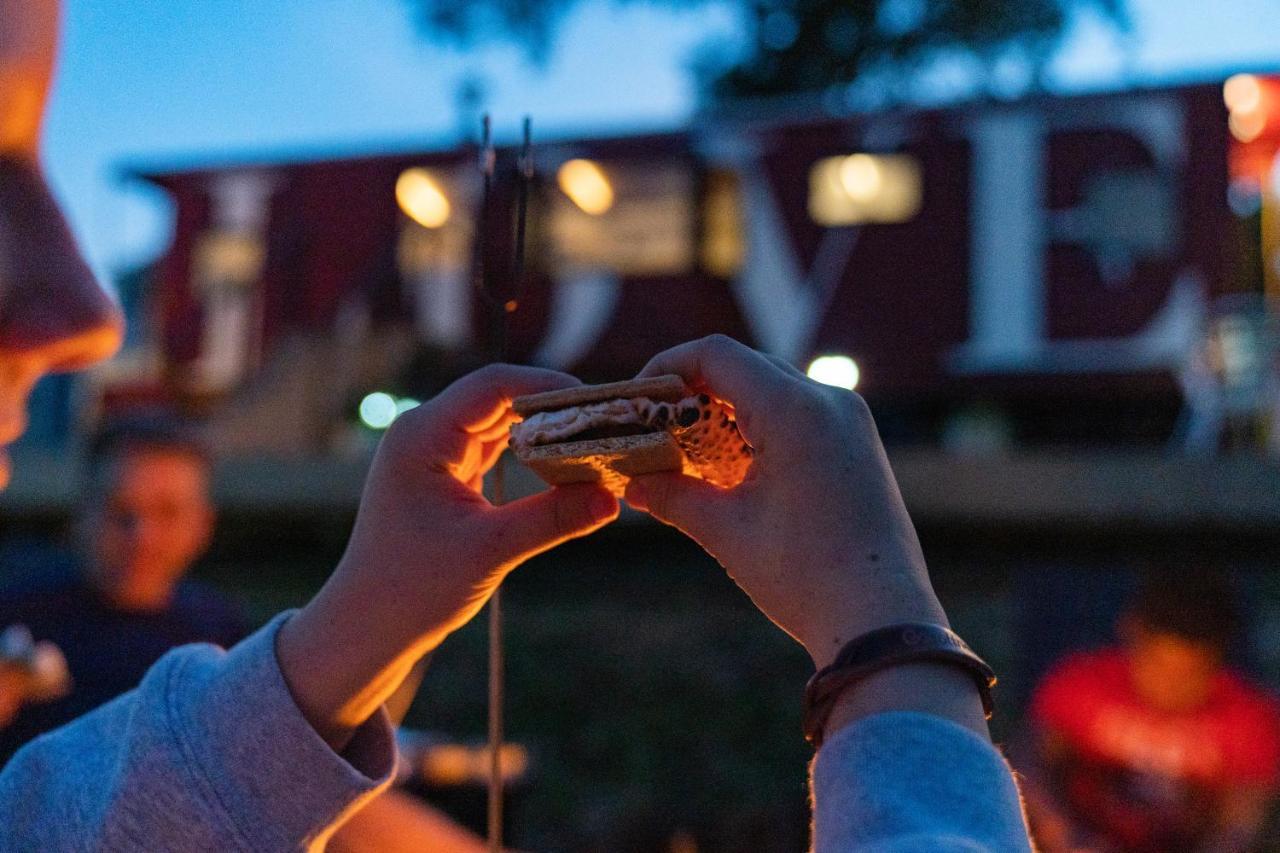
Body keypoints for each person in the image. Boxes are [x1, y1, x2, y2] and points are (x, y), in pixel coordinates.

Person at [1, 1, 1033, 848]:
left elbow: (60, 823)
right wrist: (888, 634)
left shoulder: (194, 625)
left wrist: (357, 625)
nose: (93, 316)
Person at [1020, 574, 1280, 852]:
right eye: (1158, 666)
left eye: (1190, 674)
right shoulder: (1078, 685)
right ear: (1133, 636)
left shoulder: (1250, 719)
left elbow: (1243, 824)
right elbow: (1029, 765)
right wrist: (1065, 835)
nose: (1170, 686)